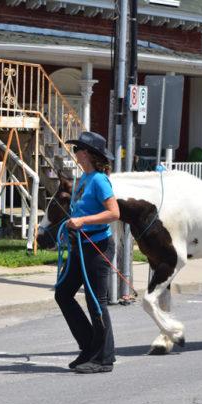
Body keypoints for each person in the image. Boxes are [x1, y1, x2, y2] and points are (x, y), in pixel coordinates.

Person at [56, 132, 120, 374]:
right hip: (80, 246)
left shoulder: (100, 181)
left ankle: (104, 358)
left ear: (88, 154)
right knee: (63, 294)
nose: (75, 154)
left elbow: (114, 213)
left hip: (97, 248)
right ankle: (89, 347)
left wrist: (84, 220)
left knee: (96, 301)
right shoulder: (84, 179)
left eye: (77, 150)